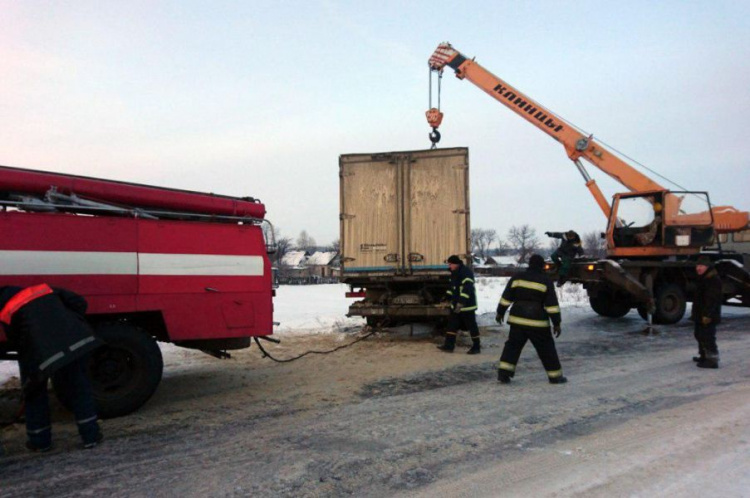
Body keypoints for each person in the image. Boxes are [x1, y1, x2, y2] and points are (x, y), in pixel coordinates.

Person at [0, 284, 103, 452]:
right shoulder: (44, 289)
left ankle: (40, 442)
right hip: (73, 341)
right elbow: (79, 302)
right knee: (79, 388)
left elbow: (17, 341)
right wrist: (71, 322)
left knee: (35, 393)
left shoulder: (7, 310)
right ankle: (90, 437)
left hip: (40, 351)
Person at [495, 254, 566, 384]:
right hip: (538, 323)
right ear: (542, 265)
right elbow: (552, 305)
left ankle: (504, 374)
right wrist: (556, 323)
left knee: (512, 347)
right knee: (546, 349)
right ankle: (555, 376)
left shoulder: (517, 278)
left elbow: (506, 297)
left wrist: (500, 312)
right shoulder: (545, 281)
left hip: (517, 320)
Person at [438, 255, 481, 354]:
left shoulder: (466, 272)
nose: (449, 266)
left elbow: (467, 288)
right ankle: (449, 346)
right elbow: (452, 288)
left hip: (467, 306)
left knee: (471, 326)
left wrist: (461, 302)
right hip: (456, 306)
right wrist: (447, 297)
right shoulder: (454, 273)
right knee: (451, 325)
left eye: (450, 264)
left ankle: (476, 347)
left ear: (456, 264)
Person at [692, 256, 722, 369]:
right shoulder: (703, 278)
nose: (698, 268)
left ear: (707, 267)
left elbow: (712, 300)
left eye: (701, 266)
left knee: (707, 336)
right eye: (697, 266)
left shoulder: (712, 280)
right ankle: (704, 355)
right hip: (701, 313)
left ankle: (712, 360)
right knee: (699, 334)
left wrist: (707, 315)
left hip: (708, 315)